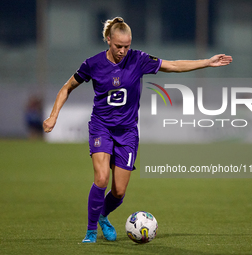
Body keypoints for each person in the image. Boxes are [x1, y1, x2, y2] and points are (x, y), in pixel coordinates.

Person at [43, 17, 232, 243]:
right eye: (118, 46)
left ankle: (103, 215)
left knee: (119, 192)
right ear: (108, 40)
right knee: (101, 178)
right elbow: (67, 88)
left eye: (127, 46)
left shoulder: (139, 59)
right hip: (101, 127)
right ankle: (91, 231)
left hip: (127, 132)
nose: (123, 51)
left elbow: (172, 65)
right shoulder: (92, 64)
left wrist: (206, 62)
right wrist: (53, 116)